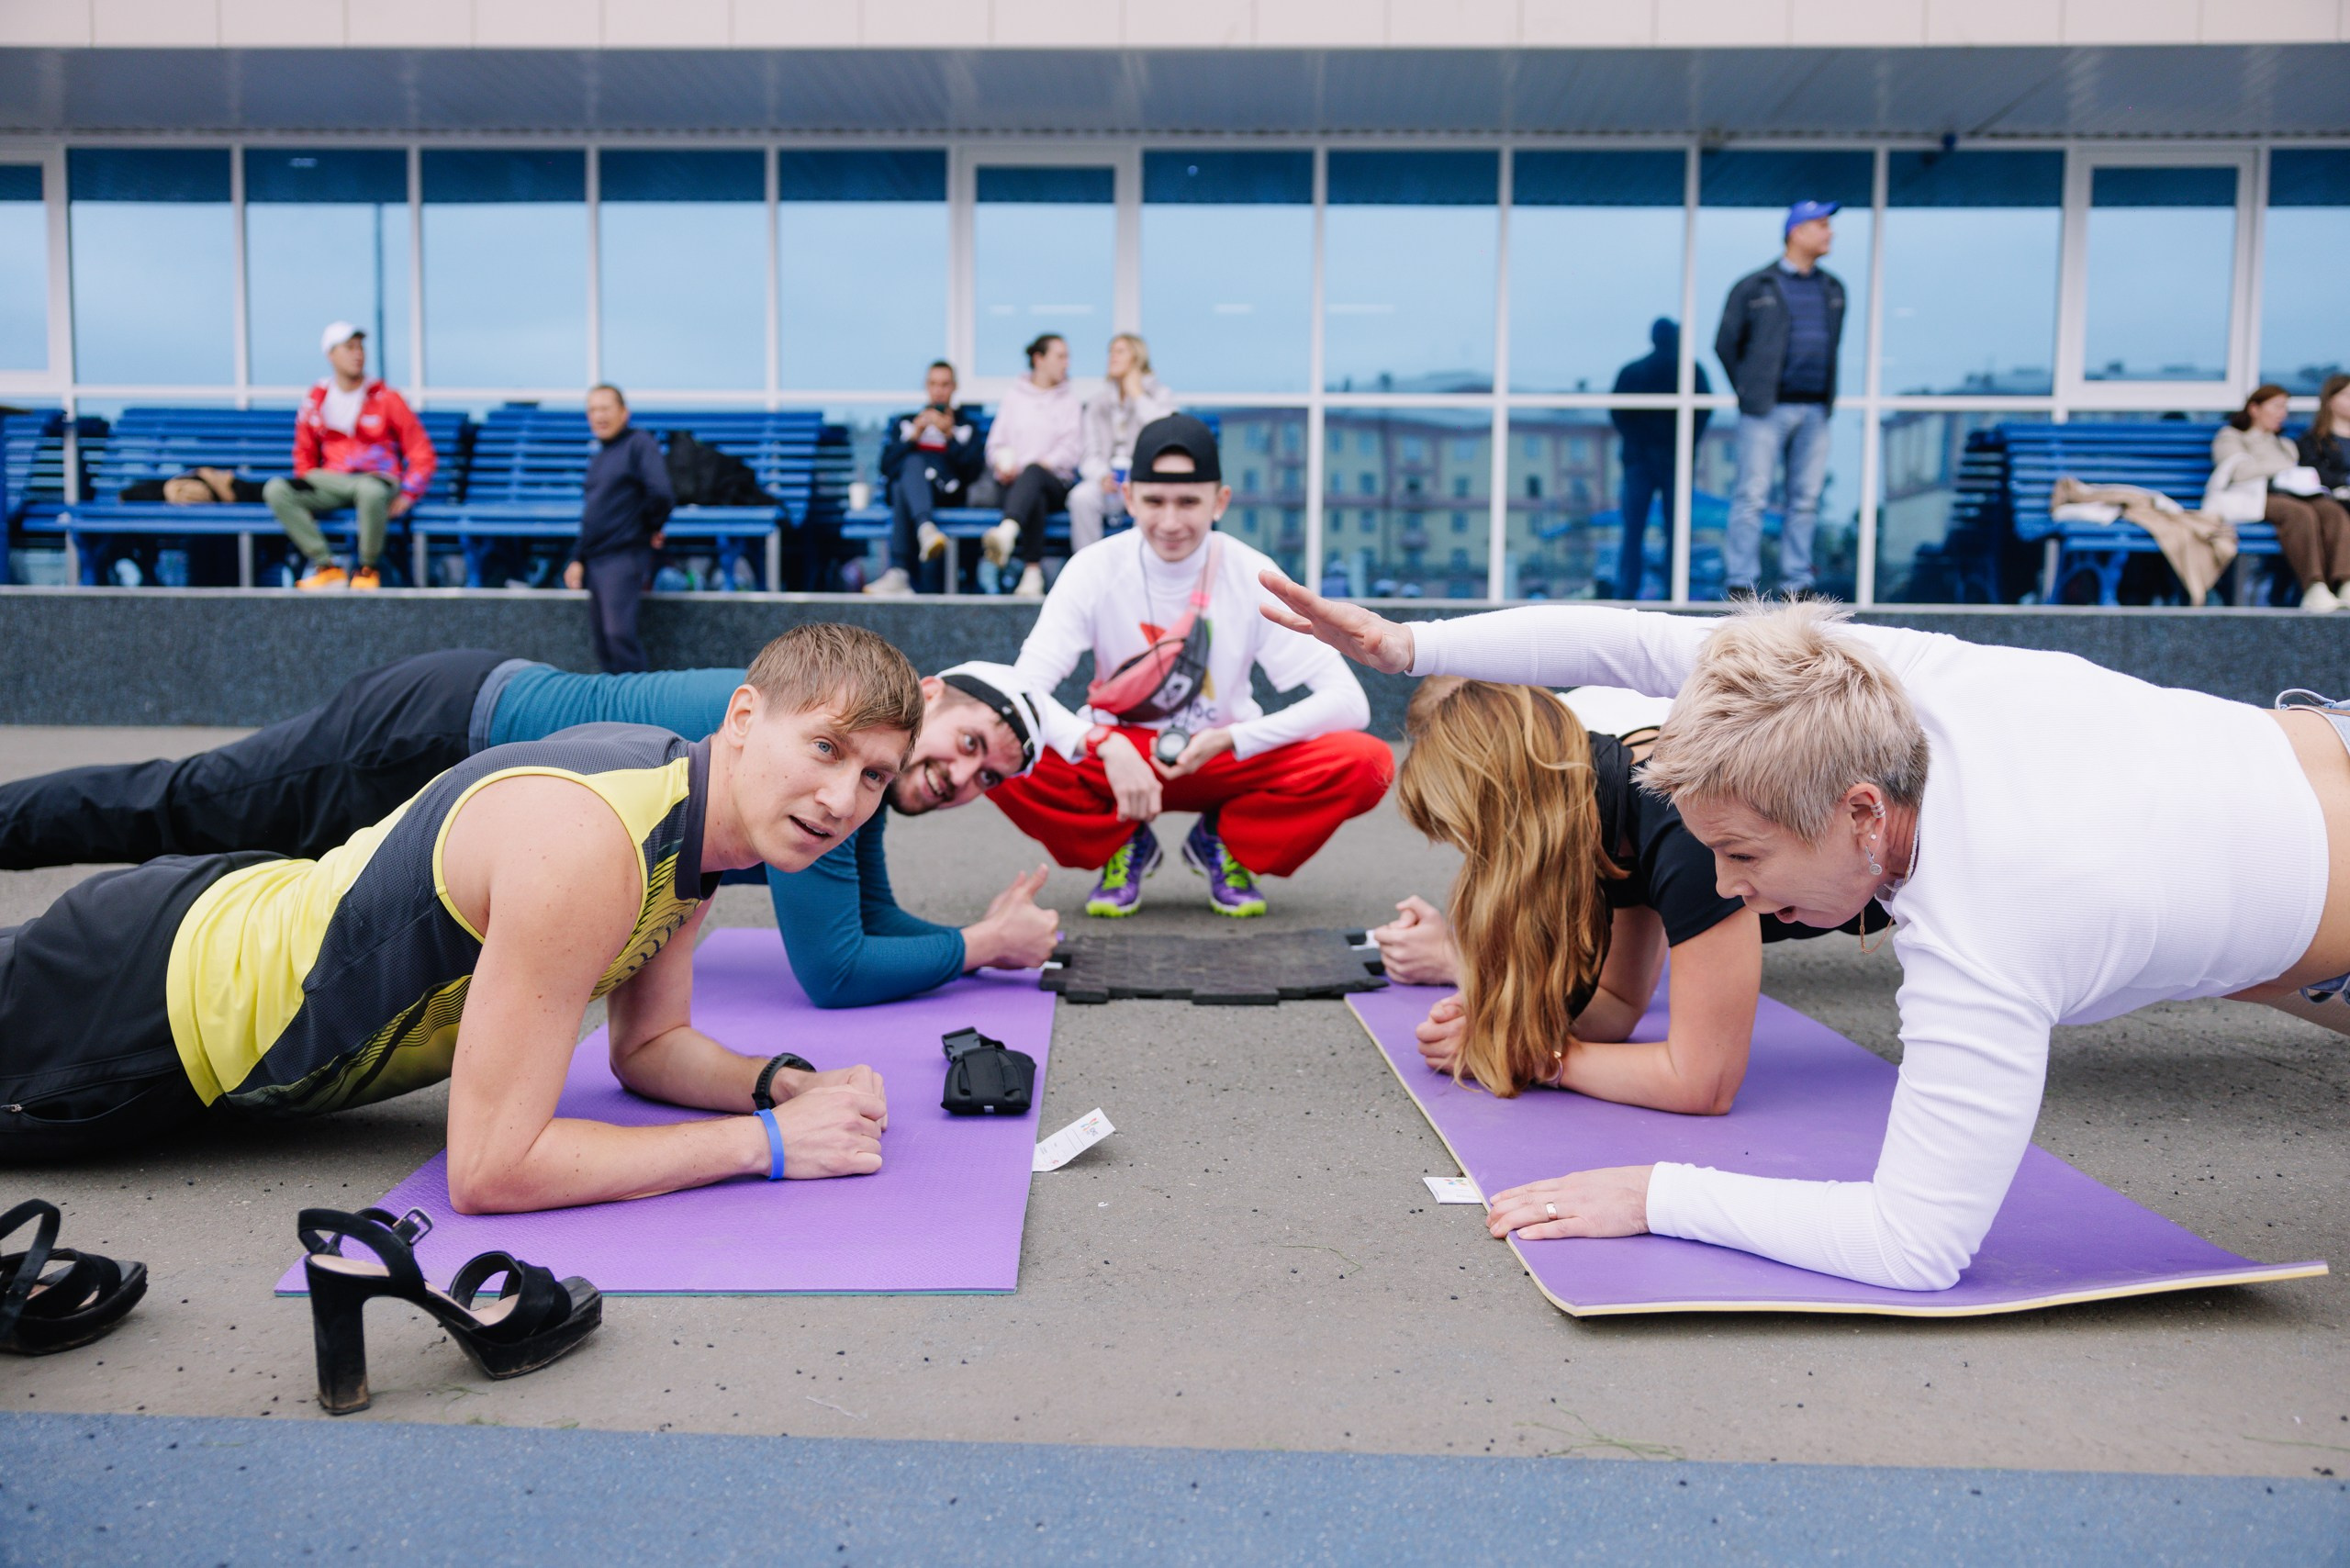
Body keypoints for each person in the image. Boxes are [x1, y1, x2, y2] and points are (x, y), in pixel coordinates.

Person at [1259, 578, 2350, 1293]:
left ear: (1862, 814)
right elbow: (1631, 638)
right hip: (2313, 779)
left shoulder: (1987, 928)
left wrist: (1654, 1193)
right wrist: (1408, 644)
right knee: (2238, 959)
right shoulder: (1874, 685)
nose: (1736, 888)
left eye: (1746, 856)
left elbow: (1916, 1245)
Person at [0, 624, 918, 1212]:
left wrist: (780, 1084)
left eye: (873, 776)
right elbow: (491, 1168)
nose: (842, 797)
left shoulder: (691, 816)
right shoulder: (594, 847)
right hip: (146, 1008)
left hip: (204, 933)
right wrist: (762, 1145)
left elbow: (649, 1046)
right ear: (747, 716)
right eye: (827, 748)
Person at [0, 651, 1064, 1011]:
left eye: (988, 777)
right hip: (431, 731)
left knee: (262, 882)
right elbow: (834, 968)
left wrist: (971, 938)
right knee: (183, 805)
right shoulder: (823, 730)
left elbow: (872, 921)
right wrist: (980, 949)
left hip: (467, 759)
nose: (962, 774)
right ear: (927, 691)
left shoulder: (858, 768)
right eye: (969, 739)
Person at [1374, 676, 1887, 1116]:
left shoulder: (1684, 828)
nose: (1475, 862)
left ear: (1511, 828)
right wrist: (1507, 1025)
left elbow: (1701, 1084)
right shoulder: (1605, 805)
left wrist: (1536, 1058)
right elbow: (1618, 1006)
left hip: (1919, 871)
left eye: (1473, 840)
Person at [992, 414, 1392, 920]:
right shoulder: (1093, 568)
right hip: (1118, 758)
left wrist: (1234, 740)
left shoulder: (1251, 570)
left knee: (1368, 763)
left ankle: (1223, 842)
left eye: (1189, 502)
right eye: (1155, 501)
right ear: (1129, 496)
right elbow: (1022, 693)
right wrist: (1103, 744)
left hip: (1222, 755)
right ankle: (1123, 841)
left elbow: (1348, 702)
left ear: (1219, 501)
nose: (1171, 522)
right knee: (992, 746)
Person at [1714, 202, 1846, 599]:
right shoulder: (1755, 287)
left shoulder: (1833, 289)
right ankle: (1741, 582)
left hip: (1815, 411)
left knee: (1805, 500)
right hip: (1764, 411)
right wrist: (1750, 390)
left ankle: (1797, 583)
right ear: (1797, 232)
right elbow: (1725, 344)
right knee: (1752, 496)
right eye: (1822, 225)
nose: (1830, 233)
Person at [263, 321, 436, 593]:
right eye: (349, 348)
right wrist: (310, 484)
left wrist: (409, 493)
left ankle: (367, 569)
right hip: (332, 483)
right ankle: (326, 566)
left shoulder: (386, 398)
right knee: (276, 489)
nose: (358, 354)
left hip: (378, 482)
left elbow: (421, 451)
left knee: (369, 491)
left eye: (360, 347)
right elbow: (304, 452)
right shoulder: (317, 399)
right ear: (331, 354)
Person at [560, 386, 674, 673]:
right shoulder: (600, 457)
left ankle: (636, 711)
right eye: (592, 410)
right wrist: (577, 559)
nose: (598, 416)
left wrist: (649, 527)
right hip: (596, 559)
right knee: (603, 642)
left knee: (618, 636)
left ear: (624, 412)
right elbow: (593, 516)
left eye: (605, 408)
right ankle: (613, 713)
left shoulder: (639, 443)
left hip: (623, 555)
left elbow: (661, 493)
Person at [2210, 383, 2350, 612]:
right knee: (2299, 514)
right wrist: (2280, 466)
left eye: (2285, 408)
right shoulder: (2232, 437)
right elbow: (2239, 472)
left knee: (2332, 511)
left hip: (2294, 494)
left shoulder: (2284, 443)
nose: (2282, 414)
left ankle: (2345, 583)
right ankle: (2314, 587)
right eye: (2276, 407)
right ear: (2255, 409)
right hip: (2256, 496)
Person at [1606, 320, 1710, 600]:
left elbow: (1619, 415)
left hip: (1642, 460)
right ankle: (1673, 591)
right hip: (1668, 459)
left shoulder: (1633, 371)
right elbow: (1702, 413)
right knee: (1674, 529)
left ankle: (1628, 589)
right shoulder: (1690, 371)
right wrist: (1683, 443)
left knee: (1634, 530)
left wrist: (1640, 444)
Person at [866, 361, 984, 598]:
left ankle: (899, 570)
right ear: (926, 386)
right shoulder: (907, 423)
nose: (939, 390)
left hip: (946, 494)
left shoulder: (965, 426)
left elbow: (972, 471)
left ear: (954, 387)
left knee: (903, 483)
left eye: (945, 384)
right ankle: (925, 528)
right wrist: (913, 436)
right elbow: (886, 466)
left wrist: (950, 437)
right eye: (933, 384)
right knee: (906, 473)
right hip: (917, 494)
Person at [979, 333, 1082, 599]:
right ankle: (1031, 573)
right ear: (1039, 359)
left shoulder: (1070, 401)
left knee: (1034, 474)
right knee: (1031, 489)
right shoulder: (1015, 397)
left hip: (1056, 484)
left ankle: (1008, 533)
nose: (1066, 363)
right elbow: (995, 444)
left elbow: (1071, 451)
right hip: (1017, 487)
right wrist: (1003, 463)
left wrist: (1038, 465)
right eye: (1060, 356)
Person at [1069, 334, 1177, 554]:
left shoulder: (1160, 395)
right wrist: (1101, 476)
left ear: (1137, 358)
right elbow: (1089, 454)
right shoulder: (1098, 403)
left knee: (1150, 500)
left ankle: (1140, 566)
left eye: (1120, 352)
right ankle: (1090, 568)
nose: (1112, 357)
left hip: (1145, 478)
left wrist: (1137, 395)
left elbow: (1163, 436)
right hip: (1109, 482)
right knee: (1081, 497)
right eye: (1111, 352)